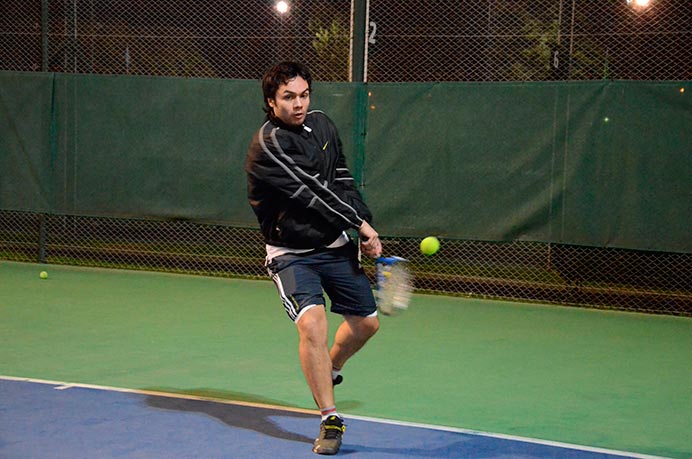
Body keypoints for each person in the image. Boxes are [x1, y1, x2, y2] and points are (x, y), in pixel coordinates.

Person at [245, 61, 382, 455]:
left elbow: (339, 177)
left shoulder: (322, 125)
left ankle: (330, 369)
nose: (298, 104)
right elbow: (313, 191)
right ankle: (330, 418)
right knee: (314, 325)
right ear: (271, 102)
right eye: (288, 97)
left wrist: (362, 222)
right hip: (291, 254)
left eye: (304, 95)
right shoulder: (268, 144)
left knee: (366, 325)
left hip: (332, 244)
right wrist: (360, 225)